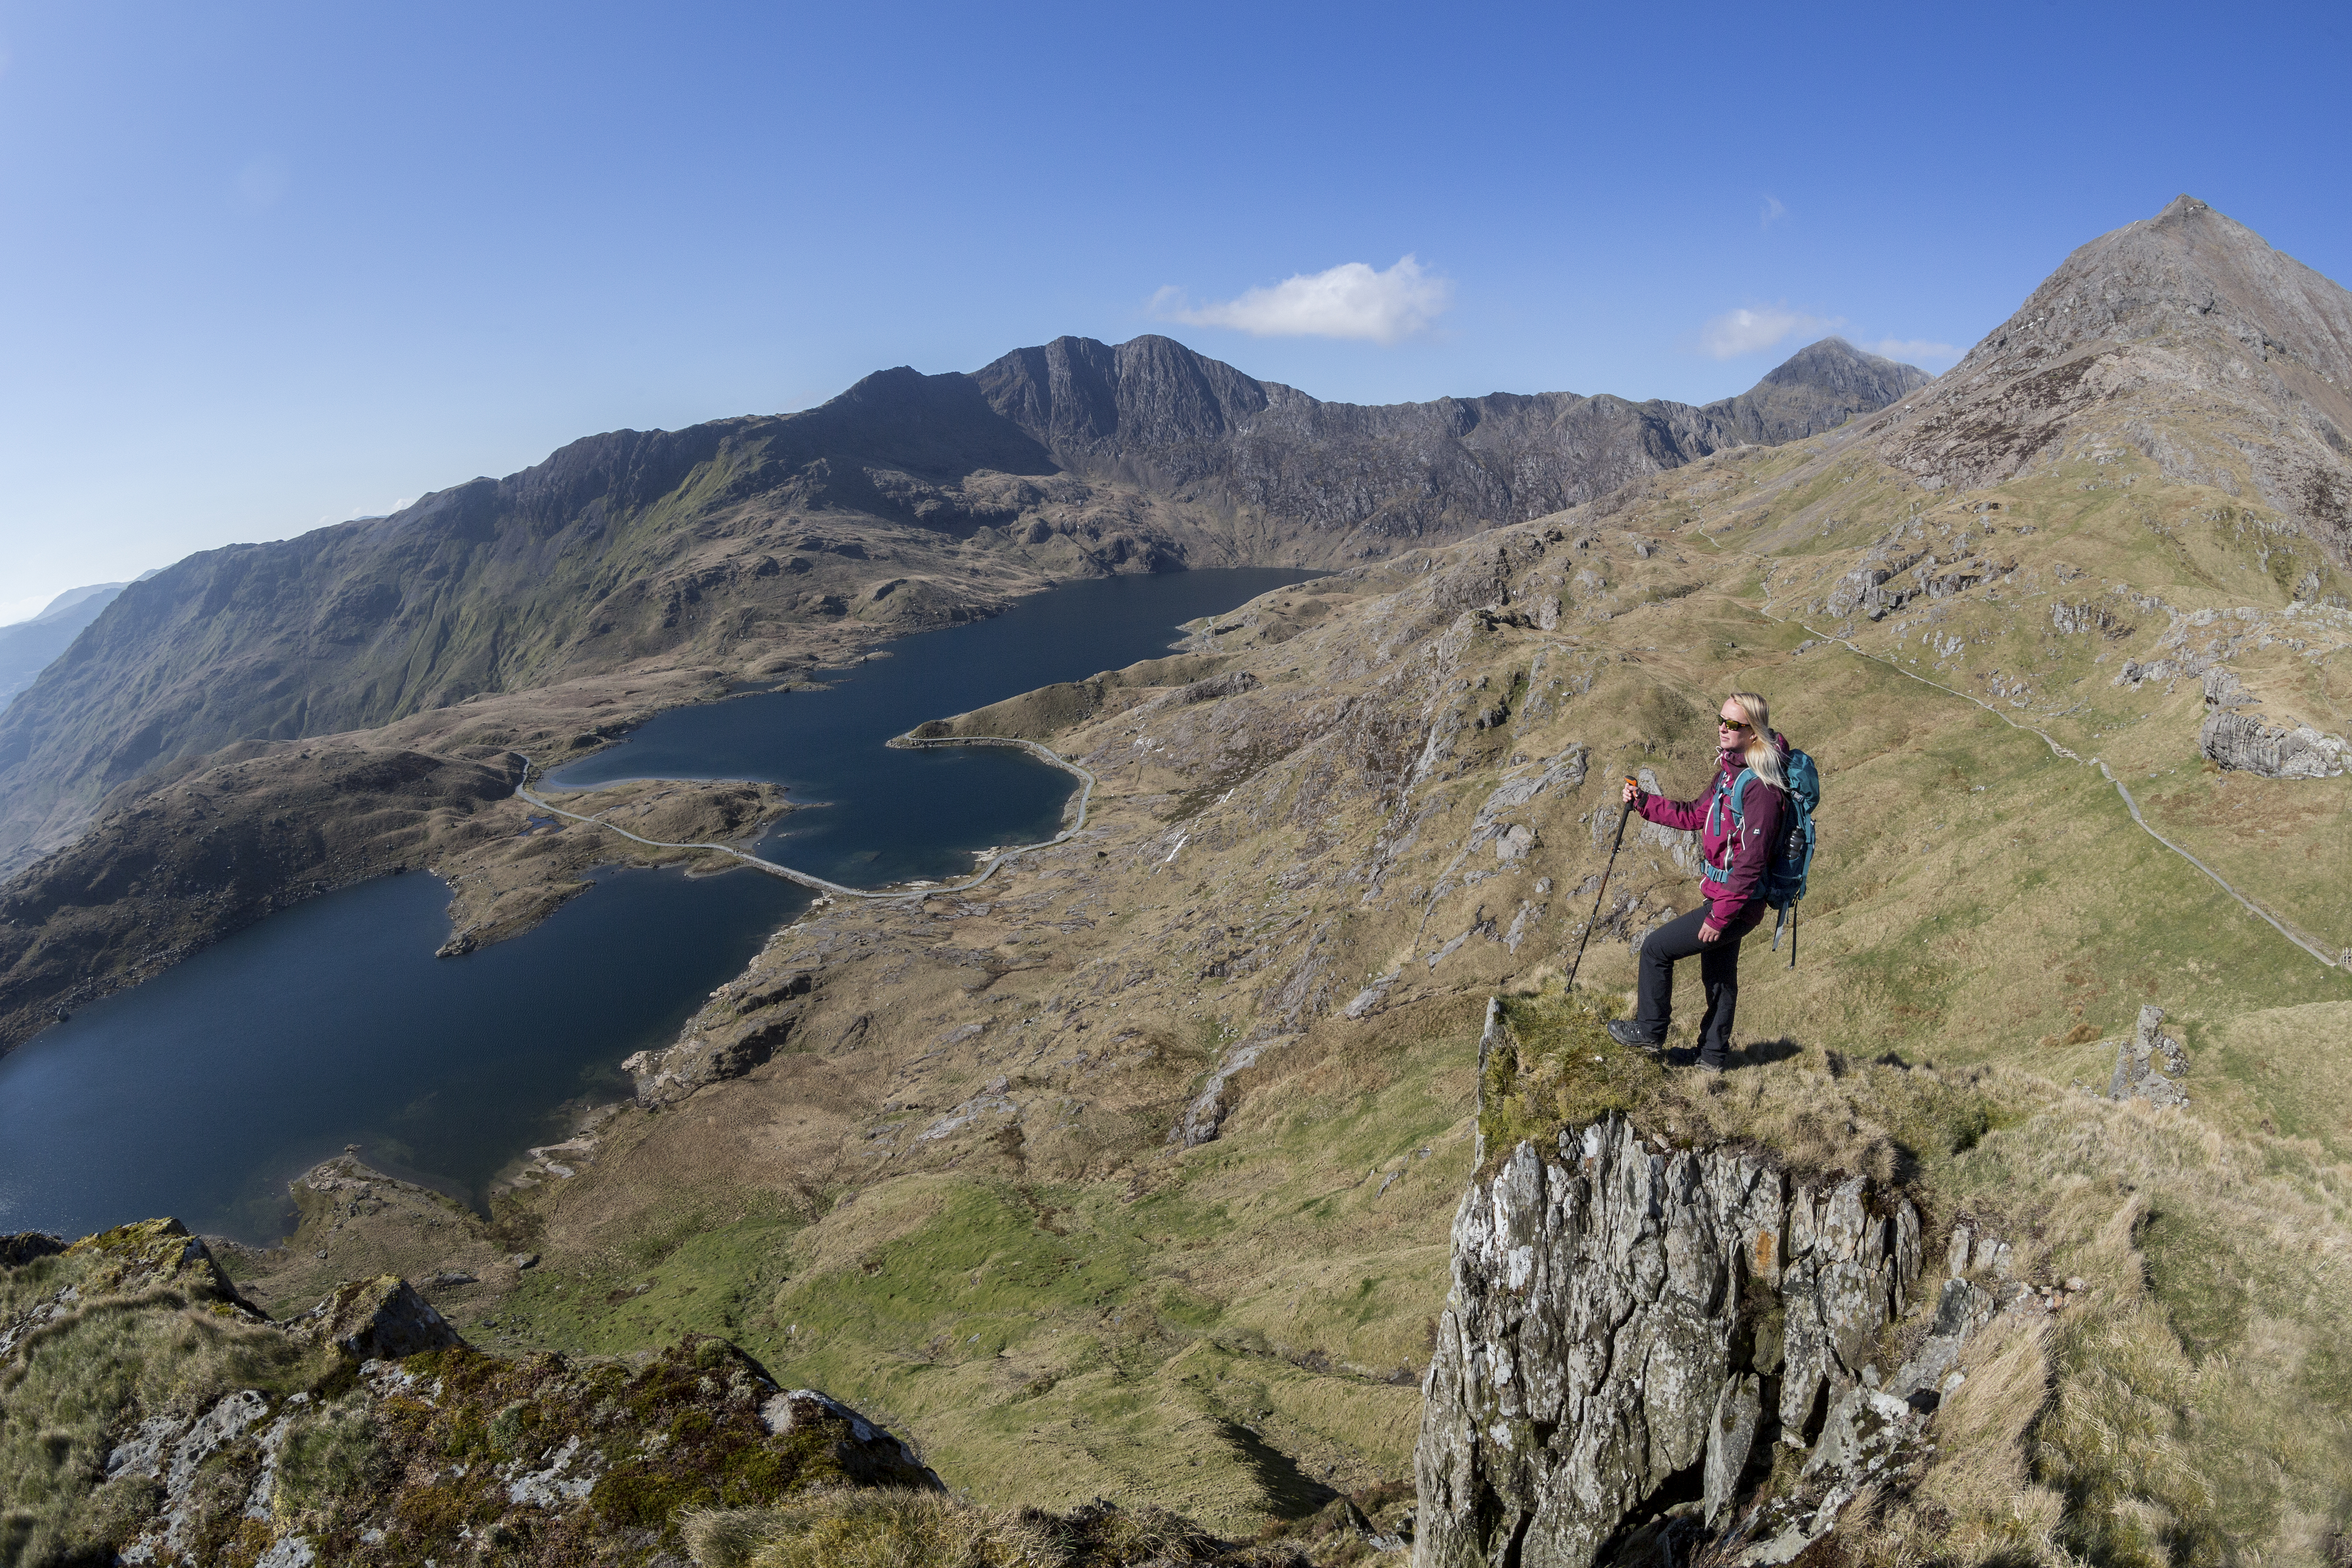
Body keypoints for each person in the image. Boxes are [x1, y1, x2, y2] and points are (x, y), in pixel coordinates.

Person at [1605, 692, 1789, 1071]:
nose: (1723, 728)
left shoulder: (1761, 788)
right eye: (1721, 720)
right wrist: (1643, 802)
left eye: (1734, 724)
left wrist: (1719, 917)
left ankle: (1650, 1031)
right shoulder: (1730, 772)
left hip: (1736, 903)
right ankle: (1711, 1058)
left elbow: (1751, 862)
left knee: (1656, 950)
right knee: (1719, 976)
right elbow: (1693, 815)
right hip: (1732, 900)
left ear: (1753, 732)